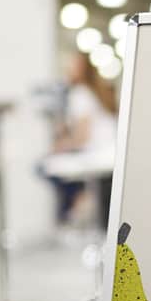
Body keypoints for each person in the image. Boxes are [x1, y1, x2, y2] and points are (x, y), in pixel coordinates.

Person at [51, 52, 118, 223]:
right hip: (112, 152)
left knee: (48, 167)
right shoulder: (97, 91)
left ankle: (68, 214)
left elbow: (83, 136)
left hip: (97, 153)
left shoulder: (79, 94)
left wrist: (62, 146)